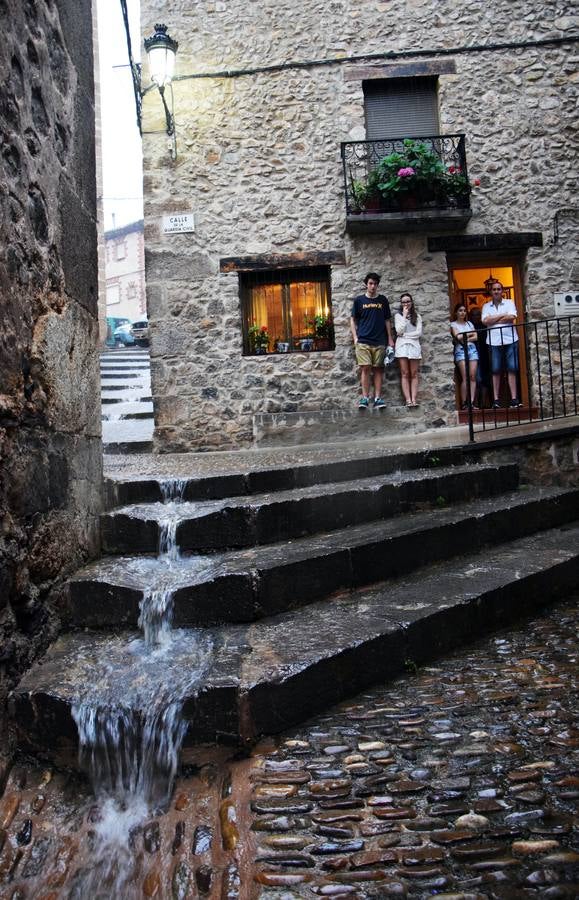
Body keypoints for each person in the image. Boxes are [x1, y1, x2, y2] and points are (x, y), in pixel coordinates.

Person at [350, 272, 395, 409]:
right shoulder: (359, 300)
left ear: (377, 285)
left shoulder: (383, 300)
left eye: (375, 284)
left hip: (380, 340)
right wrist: (355, 337)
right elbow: (352, 319)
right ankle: (365, 398)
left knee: (378, 370)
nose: (373, 286)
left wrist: (390, 338)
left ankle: (377, 398)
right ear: (366, 284)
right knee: (365, 368)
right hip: (363, 340)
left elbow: (387, 320)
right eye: (370, 283)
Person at [481, 281, 521, 408]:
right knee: (495, 370)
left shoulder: (510, 302)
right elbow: (485, 321)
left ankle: (514, 399)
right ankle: (496, 401)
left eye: (498, 289)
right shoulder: (486, 306)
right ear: (491, 292)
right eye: (494, 289)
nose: (496, 291)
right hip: (493, 341)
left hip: (511, 340)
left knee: (512, 369)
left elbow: (512, 317)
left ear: (502, 291)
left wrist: (494, 319)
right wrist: (503, 314)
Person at [394, 292, 423, 407]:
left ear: (411, 302)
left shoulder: (418, 316)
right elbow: (399, 331)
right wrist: (405, 316)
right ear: (401, 304)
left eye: (408, 301)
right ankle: (408, 400)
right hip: (402, 347)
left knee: (414, 373)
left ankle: (414, 399)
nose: (406, 303)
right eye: (404, 302)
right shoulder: (398, 316)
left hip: (414, 346)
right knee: (405, 373)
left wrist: (406, 336)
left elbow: (418, 333)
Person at [450, 302, 479, 409]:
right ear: (456, 313)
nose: (462, 313)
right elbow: (458, 337)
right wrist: (469, 334)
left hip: (472, 350)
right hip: (460, 350)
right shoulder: (453, 324)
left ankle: (471, 402)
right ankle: (465, 403)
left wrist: (465, 337)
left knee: (472, 376)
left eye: (464, 311)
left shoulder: (470, 324)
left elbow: (476, 336)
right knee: (465, 376)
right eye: (460, 311)